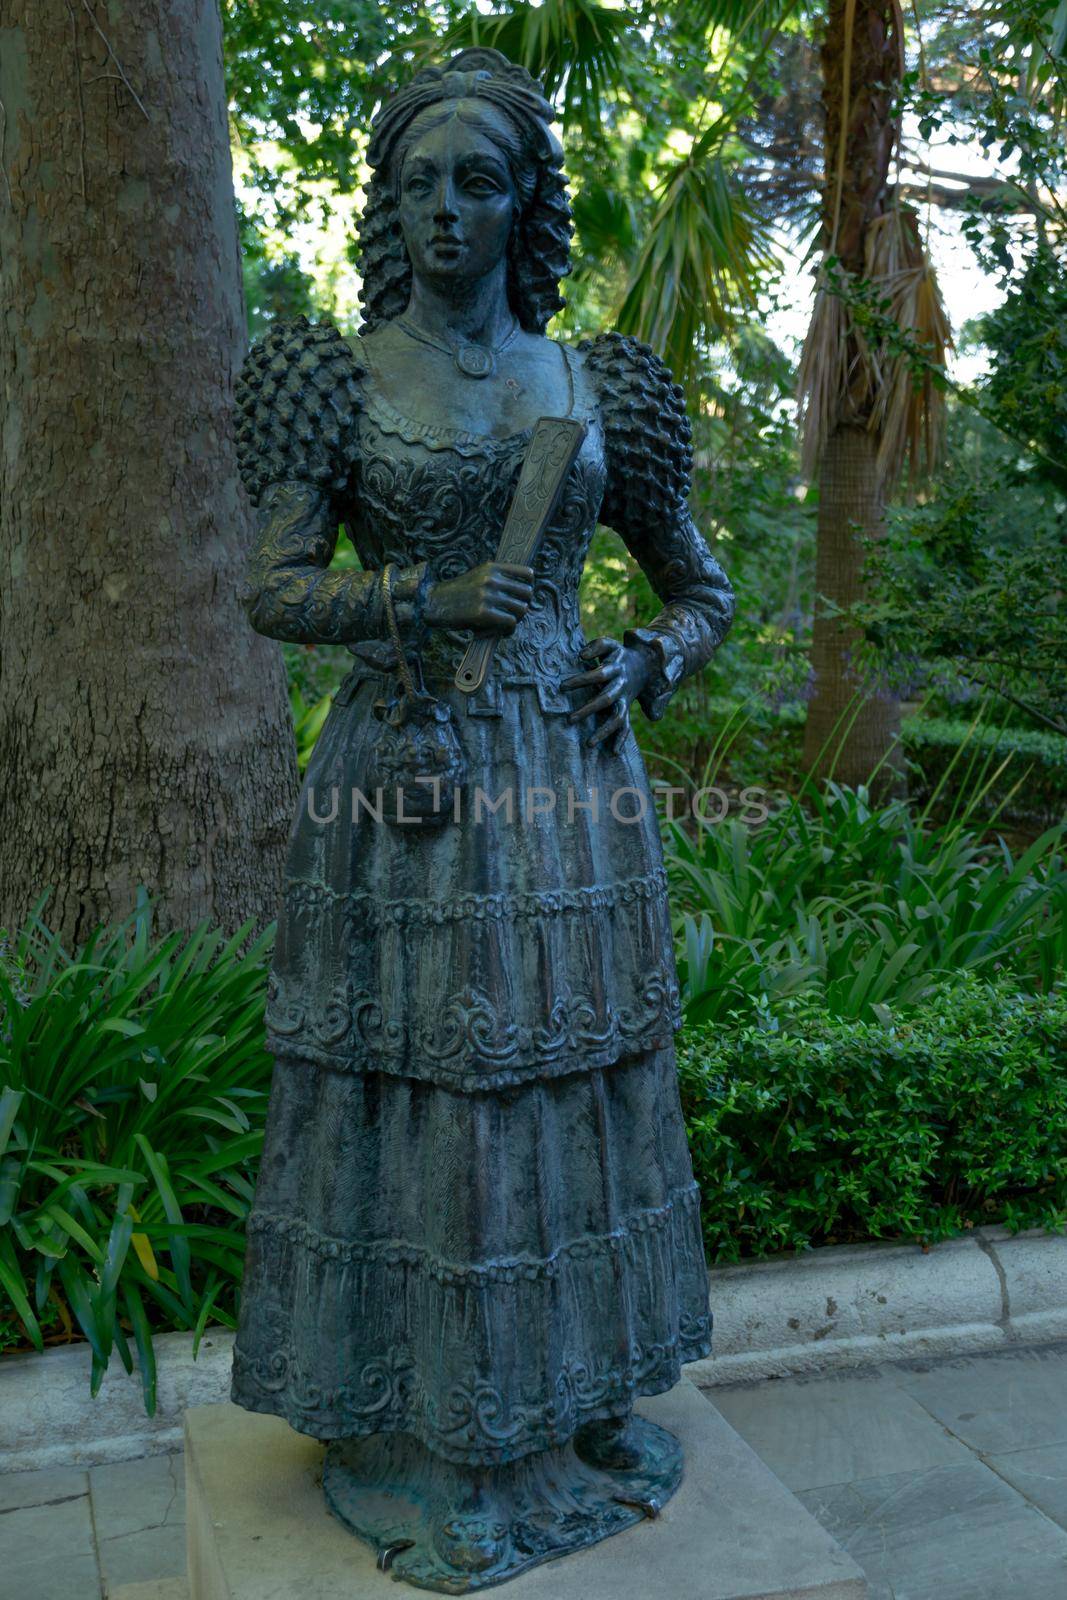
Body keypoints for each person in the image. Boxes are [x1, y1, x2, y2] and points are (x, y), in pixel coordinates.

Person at [230, 46, 734, 1591]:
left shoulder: (600, 385)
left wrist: (643, 659)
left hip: (571, 796)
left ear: (526, 204)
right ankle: (424, 1440)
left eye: (479, 180)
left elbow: (705, 591)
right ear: (389, 204)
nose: (446, 207)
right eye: (420, 182)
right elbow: (272, 588)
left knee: (562, 1090)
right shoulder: (334, 376)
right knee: (430, 1092)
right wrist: (425, 595)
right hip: (408, 784)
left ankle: (566, 1414)